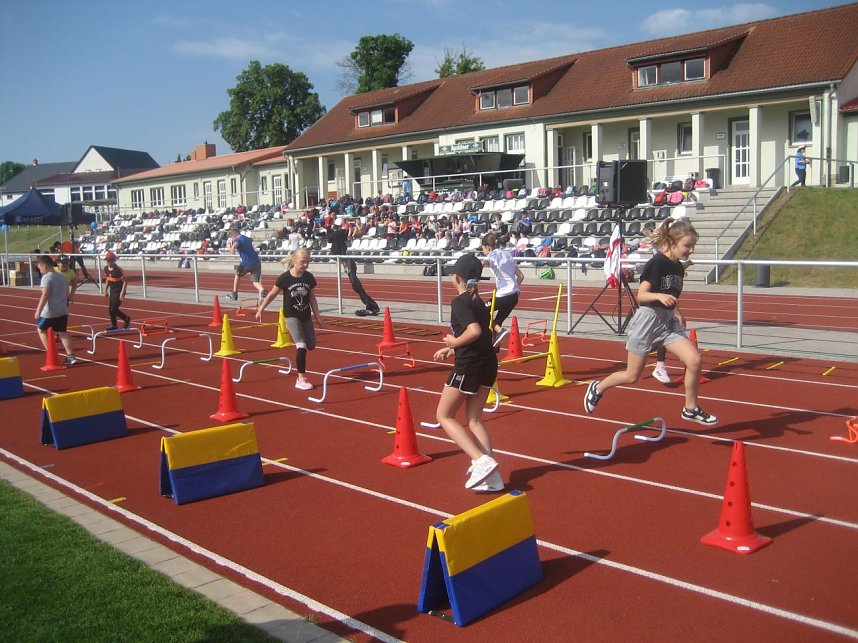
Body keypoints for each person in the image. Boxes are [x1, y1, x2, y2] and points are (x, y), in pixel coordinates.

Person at [583, 218, 718, 425]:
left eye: (693, 246)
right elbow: (642, 295)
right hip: (648, 320)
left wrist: (677, 311)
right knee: (631, 375)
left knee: (694, 360)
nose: (691, 250)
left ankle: (690, 408)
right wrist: (659, 297)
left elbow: (669, 293)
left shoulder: (678, 267)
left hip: (666, 322)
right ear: (673, 243)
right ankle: (598, 387)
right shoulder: (656, 263)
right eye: (687, 246)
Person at [433, 253, 503, 492]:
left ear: (455, 278)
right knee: (474, 419)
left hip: (470, 366)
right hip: (487, 363)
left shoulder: (460, 302)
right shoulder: (479, 302)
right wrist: (452, 348)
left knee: (444, 416)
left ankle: (480, 460)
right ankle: (493, 478)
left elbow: (472, 331)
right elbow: (484, 335)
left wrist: (453, 343)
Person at [256, 248, 324, 390]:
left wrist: (317, 316)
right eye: (302, 262)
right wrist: (261, 308)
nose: (305, 265)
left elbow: (312, 298)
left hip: (305, 315)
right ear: (294, 261)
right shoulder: (285, 278)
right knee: (302, 345)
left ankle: (301, 364)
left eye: (307, 262)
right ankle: (301, 378)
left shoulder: (309, 277)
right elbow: (272, 294)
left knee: (311, 345)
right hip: (291, 316)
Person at [480, 233, 524, 347]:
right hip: (514, 296)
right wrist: (514, 286)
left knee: (481, 311)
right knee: (496, 322)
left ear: (488, 247)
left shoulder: (491, 255)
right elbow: (521, 276)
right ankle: (494, 347)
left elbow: (481, 265)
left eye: (482, 249)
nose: (483, 252)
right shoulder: (508, 254)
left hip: (503, 295)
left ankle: (500, 330)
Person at [33, 255, 78, 365]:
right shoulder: (62, 277)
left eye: (40, 268)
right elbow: (67, 293)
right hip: (62, 310)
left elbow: (45, 295)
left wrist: (38, 310)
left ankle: (51, 354)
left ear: (45, 266)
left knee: (41, 330)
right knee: (63, 332)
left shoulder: (47, 277)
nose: (40, 271)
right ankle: (71, 356)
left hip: (49, 311)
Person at [225, 228, 267, 301]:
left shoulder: (237, 240)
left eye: (232, 238)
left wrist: (230, 247)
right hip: (257, 262)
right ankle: (262, 290)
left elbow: (234, 249)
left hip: (246, 262)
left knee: (237, 274)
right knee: (255, 281)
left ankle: (234, 293)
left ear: (234, 236)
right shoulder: (247, 238)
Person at [102, 252, 131, 331]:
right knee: (110, 309)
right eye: (107, 261)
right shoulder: (105, 269)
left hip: (119, 290)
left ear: (113, 261)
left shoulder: (118, 270)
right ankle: (114, 324)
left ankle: (126, 318)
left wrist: (122, 294)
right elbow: (108, 279)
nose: (108, 262)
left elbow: (125, 282)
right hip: (112, 290)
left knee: (113, 309)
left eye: (110, 261)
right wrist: (105, 290)